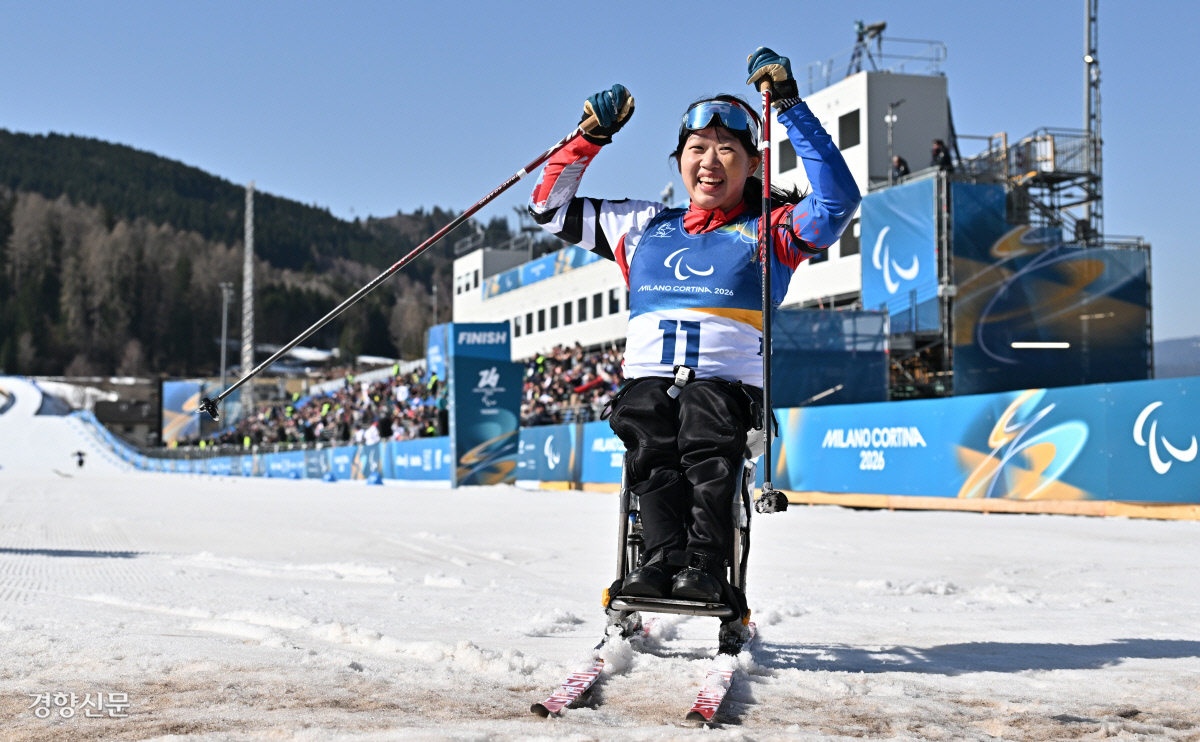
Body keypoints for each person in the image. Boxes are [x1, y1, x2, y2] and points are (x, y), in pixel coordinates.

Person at [528, 48, 860, 608]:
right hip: (649, 381)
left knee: (705, 422)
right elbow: (548, 207)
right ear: (679, 160)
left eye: (727, 149)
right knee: (648, 421)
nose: (710, 160)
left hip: (728, 388)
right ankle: (659, 559)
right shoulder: (641, 225)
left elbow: (836, 202)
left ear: (753, 163)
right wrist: (589, 137)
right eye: (697, 149)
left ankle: (706, 563)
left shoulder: (770, 230)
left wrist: (791, 108)